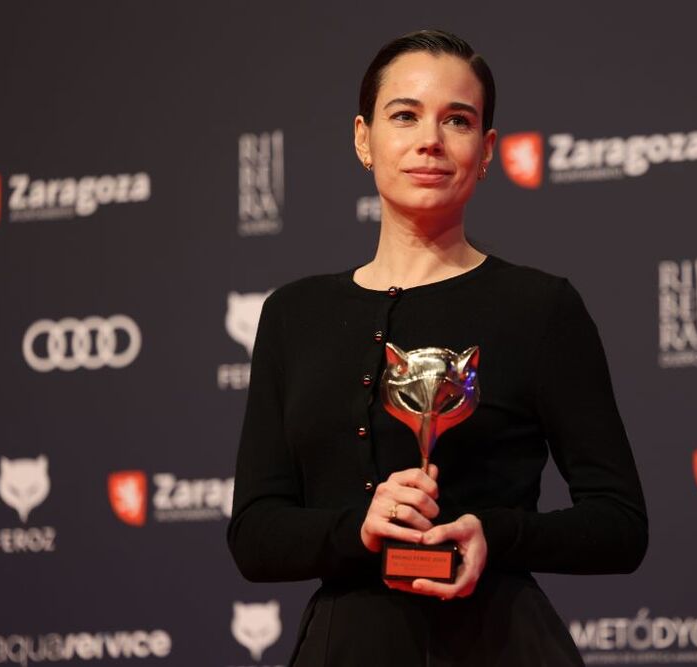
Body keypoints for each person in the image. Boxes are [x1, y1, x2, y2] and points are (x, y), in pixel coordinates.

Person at [227, 29, 648, 666]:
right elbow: (255, 536)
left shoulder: (539, 308)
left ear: (485, 151)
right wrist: (358, 528)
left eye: (458, 120)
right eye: (405, 115)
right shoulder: (294, 315)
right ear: (364, 138)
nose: (431, 140)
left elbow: (620, 525)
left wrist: (495, 533)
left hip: (501, 646)